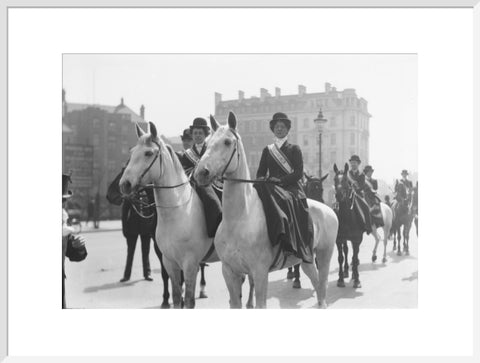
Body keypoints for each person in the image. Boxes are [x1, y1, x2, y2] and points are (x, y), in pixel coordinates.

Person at [254, 112, 314, 264]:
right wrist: (263, 179)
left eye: (282, 127)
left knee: (285, 200)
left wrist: (280, 181)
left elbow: (298, 173)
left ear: (288, 130)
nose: (279, 129)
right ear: (273, 129)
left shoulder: (294, 149)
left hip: (291, 187)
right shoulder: (267, 150)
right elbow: (260, 172)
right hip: (271, 186)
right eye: (276, 127)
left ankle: (288, 241)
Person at [179, 117, 222, 237]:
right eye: (195, 133)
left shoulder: (211, 150)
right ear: (192, 135)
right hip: (192, 186)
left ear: (205, 134)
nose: (197, 136)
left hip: (213, 184)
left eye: (200, 133)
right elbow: (183, 171)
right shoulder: (186, 155)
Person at [62, 173, 87, 309]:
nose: (62, 204)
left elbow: (72, 253)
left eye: (64, 200)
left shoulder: (62, 218)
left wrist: (78, 247)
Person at [346, 155, 373, 234]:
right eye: (352, 163)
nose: (353, 164)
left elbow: (362, 185)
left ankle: (368, 227)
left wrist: (356, 189)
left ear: (358, 164)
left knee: (366, 207)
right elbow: (346, 184)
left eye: (354, 163)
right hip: (348, 194)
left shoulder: (361, 175)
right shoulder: (347, 174)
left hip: (358, 195)